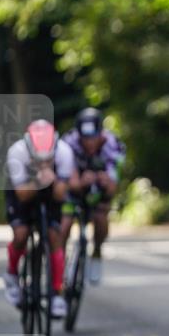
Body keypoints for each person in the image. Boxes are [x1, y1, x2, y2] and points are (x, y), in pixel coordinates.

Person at [2, 119, 77, 317]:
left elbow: (61, 194)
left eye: (48, 159)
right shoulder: (17, 152)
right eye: (38, 160)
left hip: (50, 193)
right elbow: (22, 195)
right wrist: (38, 181)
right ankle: (11, 273)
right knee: (21, 233)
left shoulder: (64, 152)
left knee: (55, 236)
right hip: (22, 190)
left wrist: (53, 181)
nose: (43, 163)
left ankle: (57, 292)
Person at [60, 107, 126, 285]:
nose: (89, 143)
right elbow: (69, 181)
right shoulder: (68, 144)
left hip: (98, 190)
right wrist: (81, 183)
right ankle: (59, 263)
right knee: (64, 222)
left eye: (93, 138)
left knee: (101, 216)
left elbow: (113, 187)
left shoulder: (113, 145)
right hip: (74, 186)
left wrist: (105, 182)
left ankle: (96, 253)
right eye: (84, 138)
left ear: (101, 134)